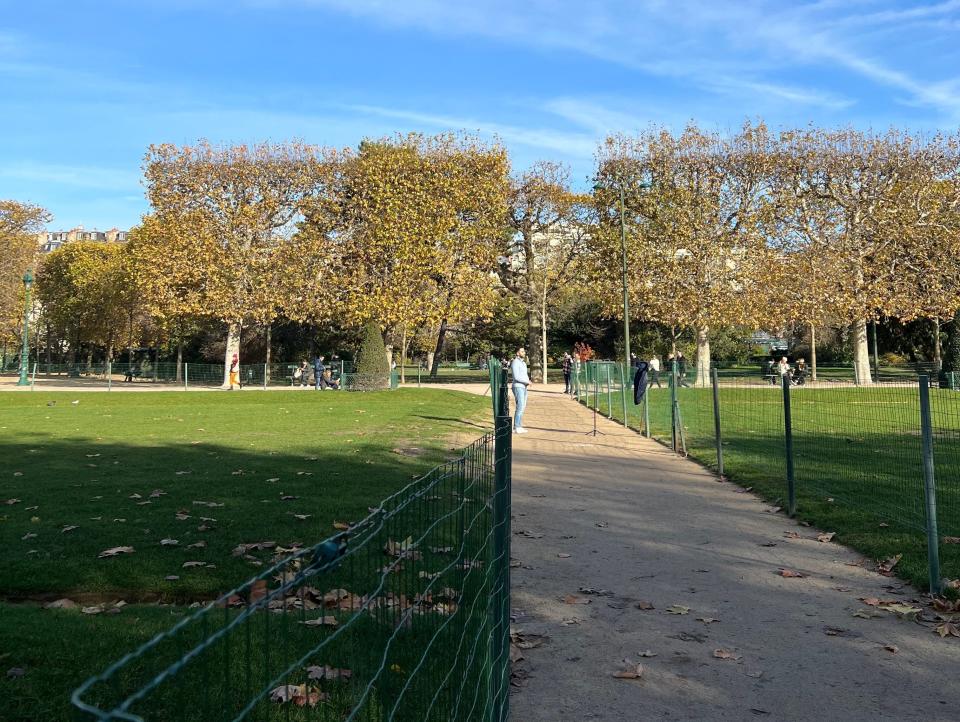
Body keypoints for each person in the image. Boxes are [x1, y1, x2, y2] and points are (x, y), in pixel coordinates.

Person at [510, 347, 530, 434]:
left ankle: (518, 425)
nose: (524, 352)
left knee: (522, 407)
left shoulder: (523, 363)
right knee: (520, 406)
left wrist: (528, 381)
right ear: (517, 353)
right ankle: (517, 426)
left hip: (524, 387)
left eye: (524, 351)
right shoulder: (515, 362)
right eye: (522, 351)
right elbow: (516, 377)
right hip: (518, 386)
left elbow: (524, 375)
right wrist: (527, 381)